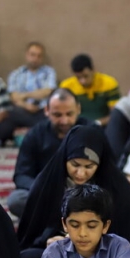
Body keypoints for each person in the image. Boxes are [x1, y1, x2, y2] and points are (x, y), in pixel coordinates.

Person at [17, 125, 130, 258]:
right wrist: (49, 241)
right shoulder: (48, 183)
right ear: (65, 159)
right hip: (60, 257)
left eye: (89, 166)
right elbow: (31, 233)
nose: (80, 173)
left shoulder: (116, 187)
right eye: (75, 164)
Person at [8, 88, 87, 218]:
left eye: (69, 114)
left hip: (81, 193)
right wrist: (43, 188)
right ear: (47, 111)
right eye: (57, 115)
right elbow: (21, 175)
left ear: (78, 109)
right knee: (16, 200)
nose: (64, 121)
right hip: (45, 194)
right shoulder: (35, 135)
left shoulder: (90, 132)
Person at [7, 42, 57, 129]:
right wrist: (26, 105)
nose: (35, 58)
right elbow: (13, 97)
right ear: (26, 55)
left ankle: (30, 130)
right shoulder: (16, 74)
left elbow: (48, 91)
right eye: (32, 55)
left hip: (43, 110)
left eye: (39, 56)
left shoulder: (49, 72)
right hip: (23, 110)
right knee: (11, 113)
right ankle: (35, 129)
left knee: (52, 115)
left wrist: (24, 95)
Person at [59, 54, 120, 126]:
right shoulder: (66, 87)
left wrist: (97, 123)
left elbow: (115, 115)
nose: (83, 81)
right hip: (77, 126)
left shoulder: (109, 83)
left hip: (104, 126)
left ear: (93, 70)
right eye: (78, 78)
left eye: (86, 76)